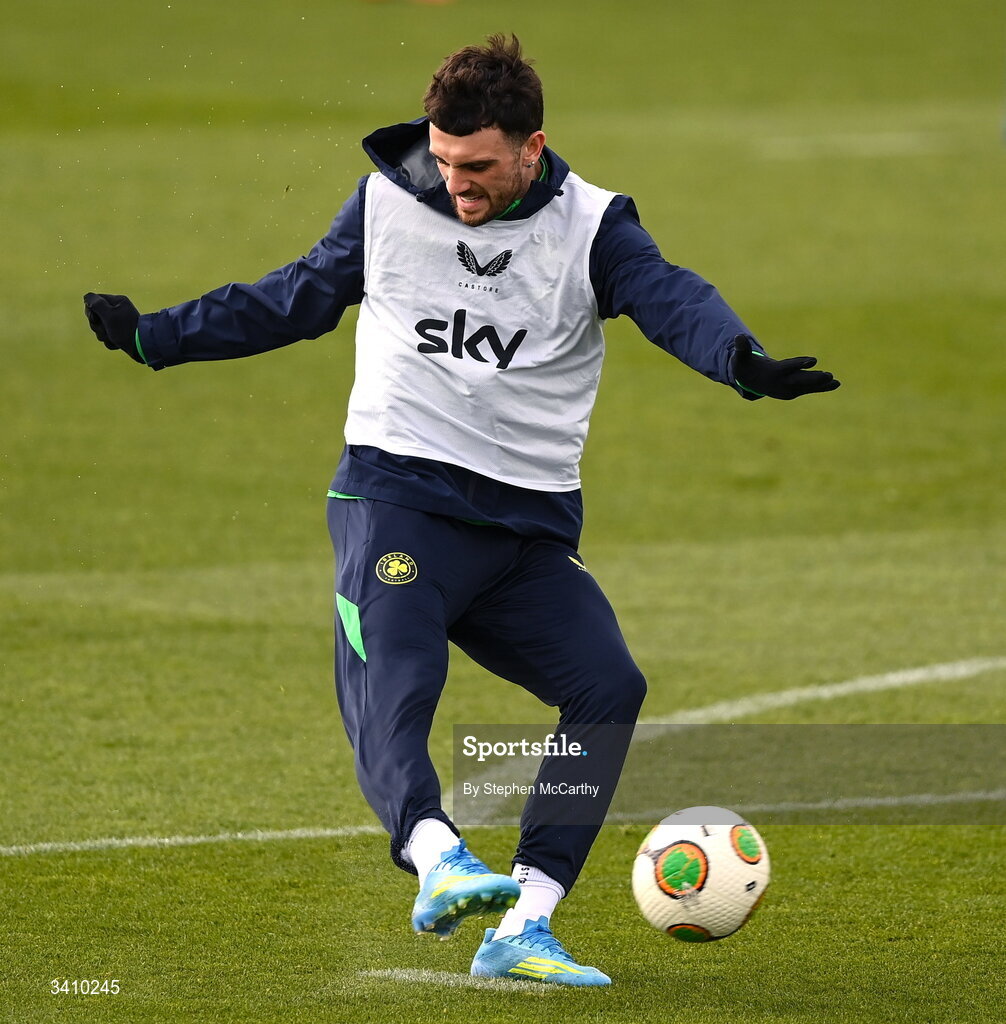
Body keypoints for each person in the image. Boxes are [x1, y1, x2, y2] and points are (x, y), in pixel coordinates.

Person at [83, 34, 839, 986]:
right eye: (443, 162)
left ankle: (526, 919)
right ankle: (436, 855)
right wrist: (157, 336)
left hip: (523, 534)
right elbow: (297, 298)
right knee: (399, 669)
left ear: (532, 146)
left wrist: (740, 360)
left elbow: (669, 297)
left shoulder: (594, 228)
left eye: (477, 166)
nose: (457, 184)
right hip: (396, 496)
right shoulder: (390, 199)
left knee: (609, 686)